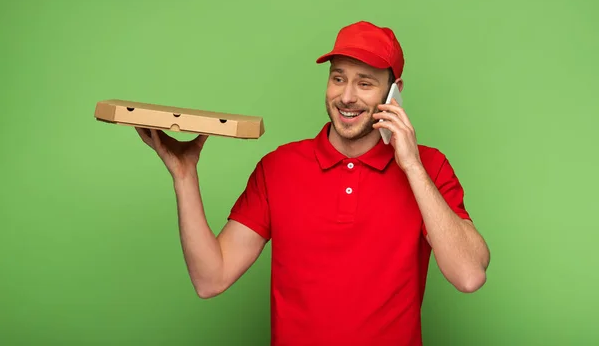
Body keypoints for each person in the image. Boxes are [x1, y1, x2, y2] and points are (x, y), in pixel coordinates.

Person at [135, 21, 490, 346]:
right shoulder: (279, 167)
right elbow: (211, 278)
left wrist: (411, 166)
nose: (347, 96)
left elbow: (469, 275)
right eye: (338, 78)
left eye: (365, 83)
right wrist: (184, 175)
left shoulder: (430, 167)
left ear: (393, 93)